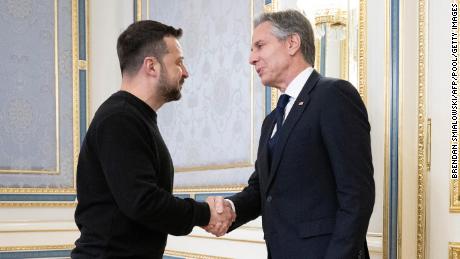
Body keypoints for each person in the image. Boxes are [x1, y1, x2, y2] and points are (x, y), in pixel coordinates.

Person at [205, 10, 375, 259]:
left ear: (292, 43)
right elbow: (261, 190)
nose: (251, 58)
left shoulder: (334, 95)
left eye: (259, 46)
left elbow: (357, 196)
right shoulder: (271, 121)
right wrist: (228, 208)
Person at [71, 20, 234, 259]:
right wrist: (205, 214)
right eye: (178, 62)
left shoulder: (134, 116)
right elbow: (143, 202)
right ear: (151, 66)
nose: (186, 72)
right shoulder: (120, 118)